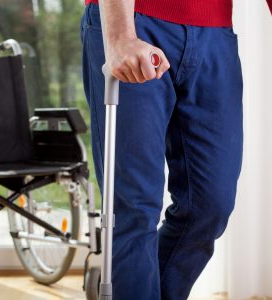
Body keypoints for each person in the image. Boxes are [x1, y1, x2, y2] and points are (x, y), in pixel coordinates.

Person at [80, 0, 272, 299]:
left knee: (210, 204)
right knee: (133, 206)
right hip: (135, 21)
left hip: (215, 33)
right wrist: (120, 36)